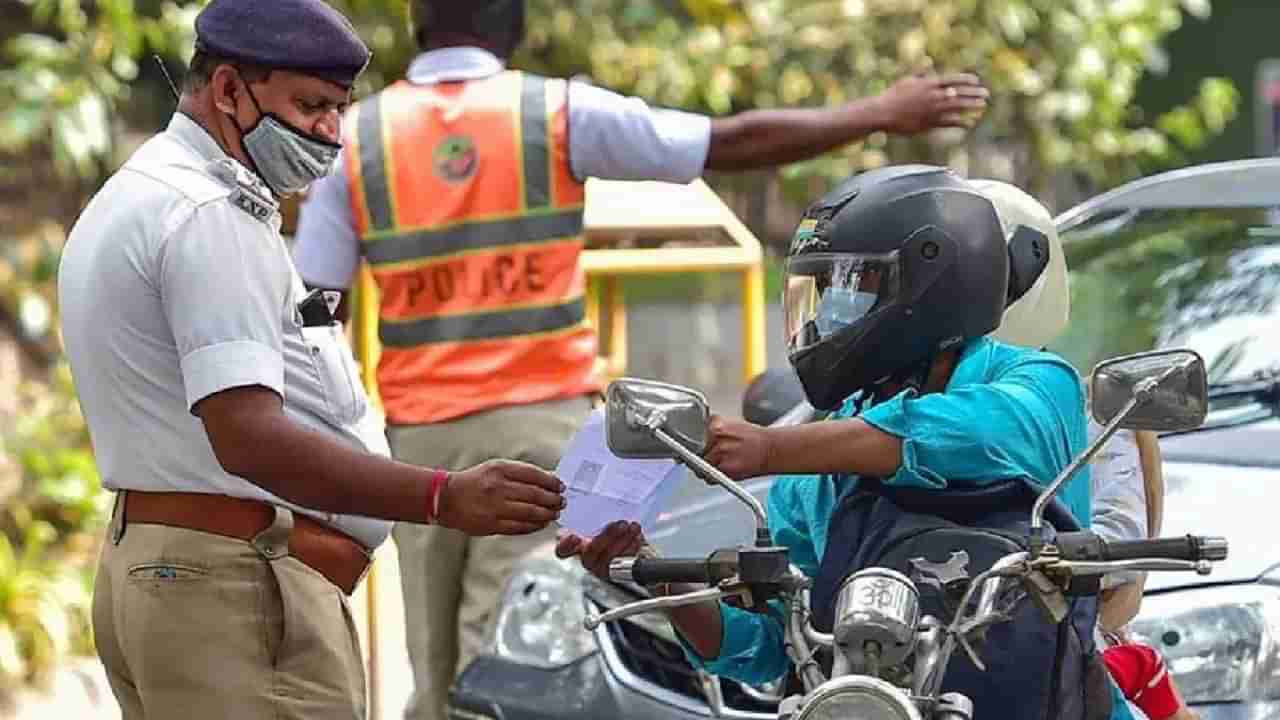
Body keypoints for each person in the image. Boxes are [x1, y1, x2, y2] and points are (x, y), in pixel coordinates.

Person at [291, 3, 990, 717]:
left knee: (433, 665)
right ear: (516, 25)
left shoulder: (359, 136)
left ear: (419, 23)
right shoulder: (552, 111)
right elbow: (726, 141)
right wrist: (879, 111)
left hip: (420, 445)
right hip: (540, 427)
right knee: (508, 656)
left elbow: (315, 305)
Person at [56, 2, 567, 718]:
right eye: (309, 105)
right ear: (229, 90)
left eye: (336, 110)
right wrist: (441, 496)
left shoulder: (144, 191)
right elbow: (247, 435)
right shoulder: (207, 214)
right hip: (231, 588)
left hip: (178, 577)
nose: (327, 132)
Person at [559, 165, 1104, 719]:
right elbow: (771, 647)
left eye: (852, 287)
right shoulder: (817, 459)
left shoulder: (1040, 383)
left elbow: (969, 436)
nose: (829, 312)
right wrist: (657, 577)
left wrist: (773, 448)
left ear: (930, 285)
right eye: (823, 291)